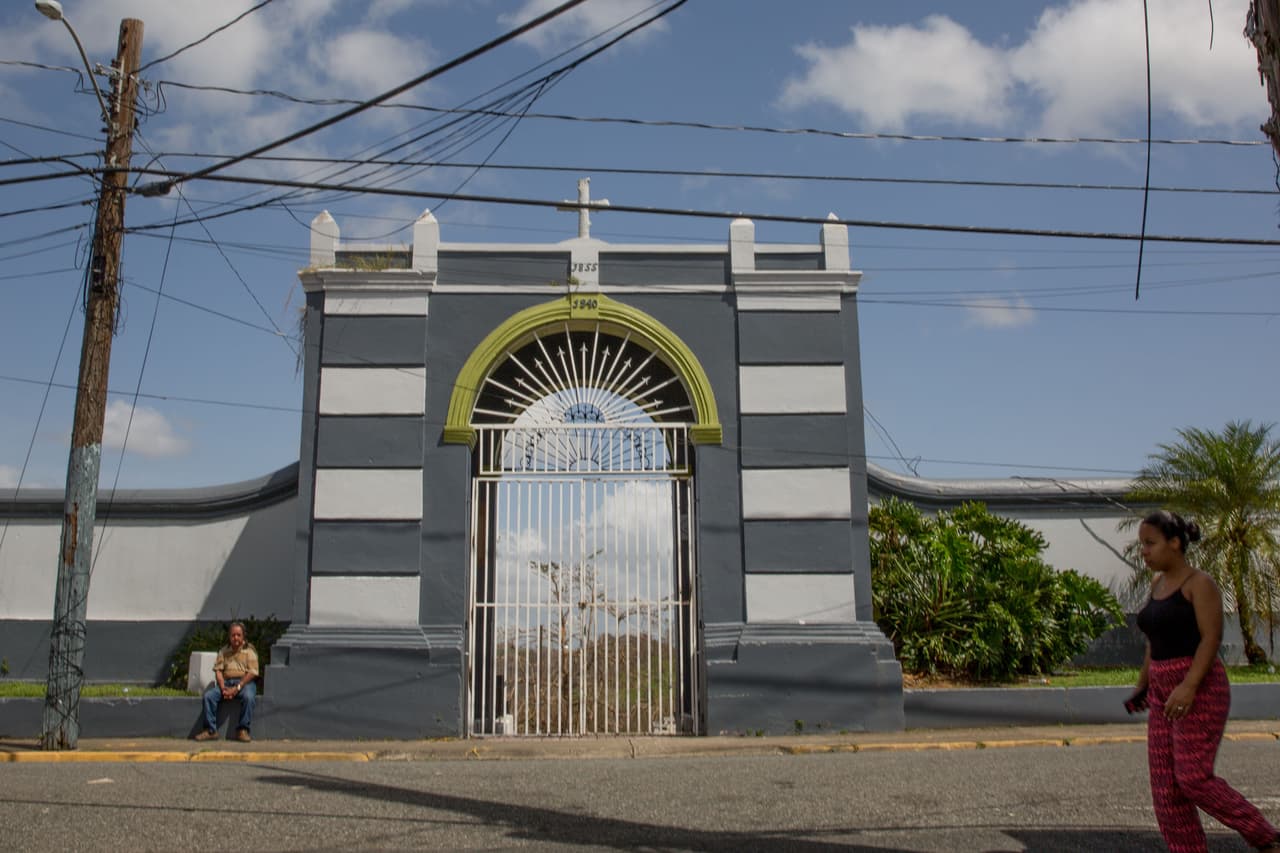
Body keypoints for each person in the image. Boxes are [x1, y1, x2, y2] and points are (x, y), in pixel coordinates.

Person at [1126, 510, 1279, 853]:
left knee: (1193, 778)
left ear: (1175, 543)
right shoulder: (1157, 585)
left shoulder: (1200, 584)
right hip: (1164, 691)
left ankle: (1266, 837)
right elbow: (1154, 641)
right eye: (1142, 545)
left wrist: (1190, 685)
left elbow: (1211, 639)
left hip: (1199, 688)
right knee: (1166, 790)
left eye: (1150, 544)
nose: (1144, 552)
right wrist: (1143, 685)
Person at [194, 621, 259, 742]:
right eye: (233, 635)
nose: (235, 638)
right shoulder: (224, 651)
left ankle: (242, 730)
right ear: (229, 636)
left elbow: (252, 673)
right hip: (227, 683)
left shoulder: (249, 651)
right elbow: (218, 670)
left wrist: (237, 688)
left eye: (238, 635)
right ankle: (210, 730)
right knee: (209, 696)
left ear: (243, 636)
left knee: (249, 697)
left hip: (244, 683)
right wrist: (223, 687)